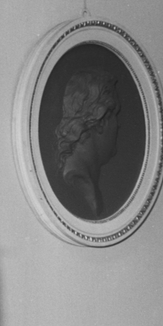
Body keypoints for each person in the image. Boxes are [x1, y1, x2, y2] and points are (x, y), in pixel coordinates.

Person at [53, 69, 121, 219]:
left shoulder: (86, 183)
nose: (118, 126)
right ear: (102, 121)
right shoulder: (74, 183)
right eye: (115, 116)